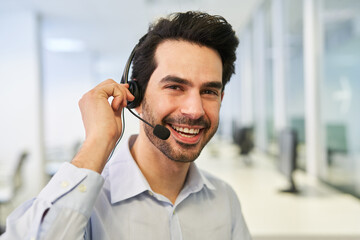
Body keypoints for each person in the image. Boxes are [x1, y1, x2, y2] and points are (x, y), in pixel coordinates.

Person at [1, 11, 251, 240]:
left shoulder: (224, 199)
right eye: (175, 87)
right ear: (136, 97)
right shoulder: (85, 204)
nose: (195, 110)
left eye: (209, 91)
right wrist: (97, 142)